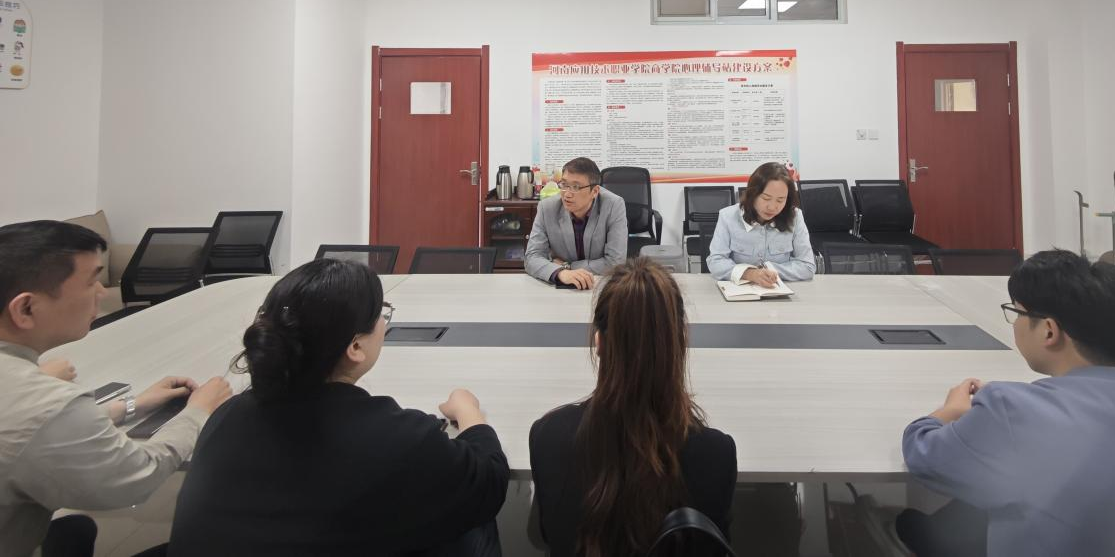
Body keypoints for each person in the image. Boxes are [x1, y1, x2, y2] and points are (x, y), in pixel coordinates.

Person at [898, 249, 1115, 557]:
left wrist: (949, 413)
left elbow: (924, 454)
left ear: (1049, 331)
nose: (1015, 323)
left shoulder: (1009, 411)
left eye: (1017, 312)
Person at [168, 258, 509, 557]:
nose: (385, 323)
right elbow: (490, 482)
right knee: (468, 517)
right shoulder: (398, 437)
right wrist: (468, 411)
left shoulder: (229, 415)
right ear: (355, 347)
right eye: (382, 314)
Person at [0, 220, 232, 557]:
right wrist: (198, 412)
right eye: (91, 281)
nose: (102, 292)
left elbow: (32, 432)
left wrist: (134, 405)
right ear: (26, 308)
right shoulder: (45, 403)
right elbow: (138, 476)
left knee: (74, 530)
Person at [530, 259, 737, 557]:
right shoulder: (716, 455)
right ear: (679, 341)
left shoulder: (548, 437)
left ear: (599, 342)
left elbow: (547, 534)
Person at [524, 157, 627, 289]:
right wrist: (560, 273)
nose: (567, 194)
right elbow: (532, 257)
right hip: (560, 289)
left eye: (576, 187)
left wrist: (567, 266)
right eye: (564, 184)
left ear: (595, 191)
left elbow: (615, 262)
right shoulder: (547, 208)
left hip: (599, 286)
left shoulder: (614, 205)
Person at [706, 161, 815, 285]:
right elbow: (715, 261)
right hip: (739, 290)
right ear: (752, 194)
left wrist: (770, 271)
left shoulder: (795, 217)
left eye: (780, 200)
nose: (772, 207)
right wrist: (750, 274)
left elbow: (807, 266)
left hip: (779, 290)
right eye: (766, 198)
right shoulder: (728, 216)